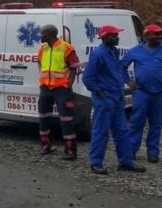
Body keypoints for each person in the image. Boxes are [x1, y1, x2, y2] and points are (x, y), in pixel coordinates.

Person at [82, 25, 146, 174]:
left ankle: (126, 162)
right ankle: (96, 163)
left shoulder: (114, 52)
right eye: (113, 35)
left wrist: (127, 83)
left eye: (117, 35)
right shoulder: (98, 54)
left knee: (122, 130)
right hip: (104, 99)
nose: (117, 38)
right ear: (104, 37)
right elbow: (87, 77)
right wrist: (98, 92)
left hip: (117, 98)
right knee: (101, 131)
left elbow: (117, 72)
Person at [37, 24, 80, 160]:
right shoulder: (43, 48)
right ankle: (46, 145)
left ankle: (70, 151)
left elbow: (74, 68)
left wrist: (68, 85)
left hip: (62, 89)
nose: (40, 35)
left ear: (49, 34)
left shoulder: (66, 48)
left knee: (66, 120)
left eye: (42, 33)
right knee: (43, 118)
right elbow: (40, 64)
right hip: (45, 88)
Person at [122, 24, 162, 163]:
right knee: (136, 122)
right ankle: (131, 150)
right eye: (155, 34)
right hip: (141, 93)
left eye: (159, 34)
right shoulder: (136, 51)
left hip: (159, 94)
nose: (158, 37)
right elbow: (122, 67)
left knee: (156, 124)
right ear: (146, 36)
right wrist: (128, 82)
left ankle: (153, 152)